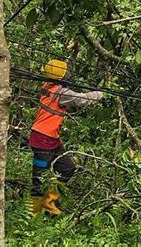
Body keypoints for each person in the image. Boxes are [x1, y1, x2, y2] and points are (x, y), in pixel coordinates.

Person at [29, 59, 103, 216]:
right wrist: (100, 93)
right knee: (39, 177)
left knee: (67, 167)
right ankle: (32, 215)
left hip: (51, 138)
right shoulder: (60, 93)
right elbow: (83, 100)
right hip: (42, 139)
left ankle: (49, 204)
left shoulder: (47, 86)